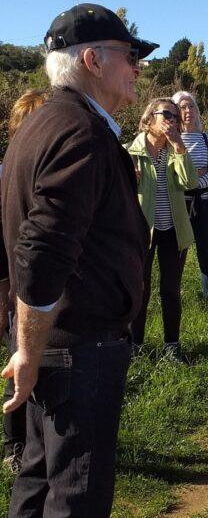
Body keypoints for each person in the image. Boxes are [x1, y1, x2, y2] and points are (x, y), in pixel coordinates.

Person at [0, 3, 154, 517]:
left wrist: (30, 348)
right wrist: (29, 350)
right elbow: (40, 256)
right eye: (129, 56)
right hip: (77, 351)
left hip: (58, 346)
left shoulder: (46, 123)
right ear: (92, 59)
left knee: (39, 483)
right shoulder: (82, 133)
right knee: (74, 498)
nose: (137, 67)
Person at [127, 98, 199, 361]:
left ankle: (172, 347)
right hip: (141, 233)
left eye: (175, 117)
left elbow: (190, 182)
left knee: (170, 289)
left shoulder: (175, 150)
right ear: (149, 118)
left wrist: (179, 146)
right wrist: (127, 180)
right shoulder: (129, 152)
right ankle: (134, 347)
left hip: (173, 230)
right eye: (166, 114)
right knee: (139, 290)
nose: (172, 120)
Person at [1, 89, 47, 474]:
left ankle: (34, 442)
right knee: (18, 361)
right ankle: (15, 446)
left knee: (30, 359)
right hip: (15, 285)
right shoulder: (9, 170)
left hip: (34, 286)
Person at [172, 91, 208, 302]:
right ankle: (172, 294)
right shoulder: (171, 140)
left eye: (191, 106)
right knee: (176, 253)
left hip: (204, 201)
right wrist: (197, 172)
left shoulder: (207, 139)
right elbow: (170, 173)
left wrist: (191, 181)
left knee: (205, 251)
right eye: (182, 107)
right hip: (178, 202)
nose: (188, 111)